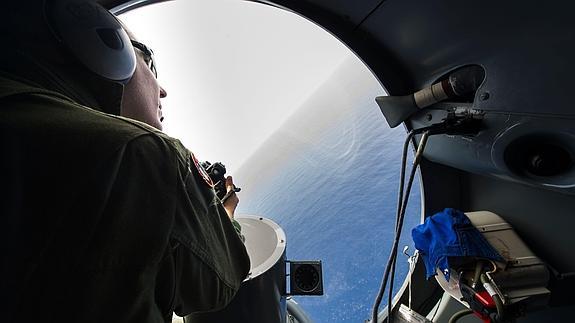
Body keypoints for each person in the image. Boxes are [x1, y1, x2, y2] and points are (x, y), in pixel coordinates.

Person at [0, 1, 250, 322]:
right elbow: (223, 275)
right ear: (108, 48)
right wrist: (224, 212)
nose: (163, 91)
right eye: (150, 63)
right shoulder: (142, 155)